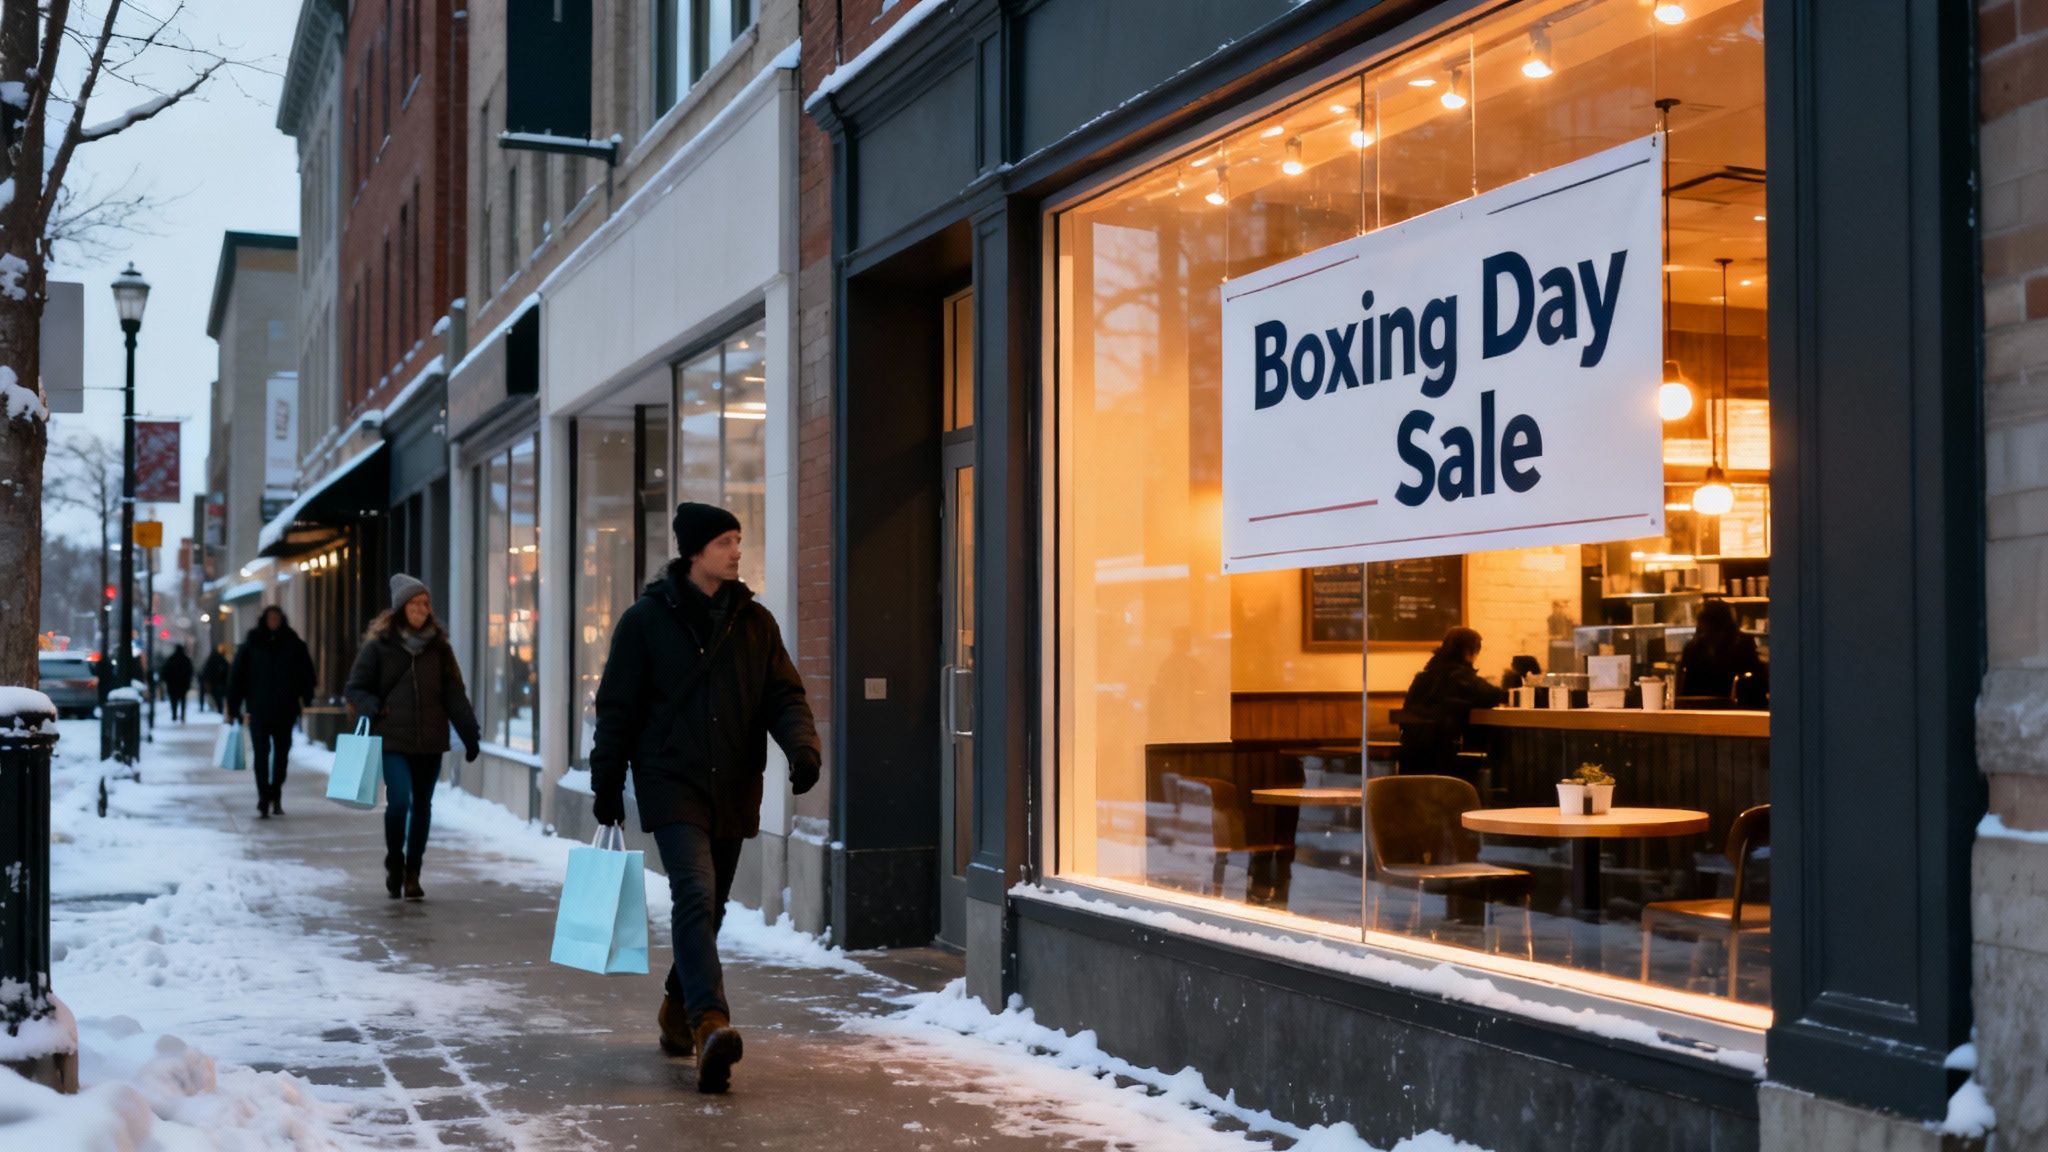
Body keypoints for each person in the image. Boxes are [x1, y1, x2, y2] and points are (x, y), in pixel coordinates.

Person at [589, 502, 821, 1095]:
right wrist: (607, 785)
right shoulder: (645, 622)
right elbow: (616, 711)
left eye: (739, 540)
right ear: (695, 552)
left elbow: (783, 695)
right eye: (726, 541)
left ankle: (674, 1009)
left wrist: (802, 749)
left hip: (734, 783)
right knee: (694, 890)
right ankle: (709, 1024)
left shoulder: (754, 623)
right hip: (671, 783)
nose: (737, 551)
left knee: (710, 908)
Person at [344, 575, 482, 901]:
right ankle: (395, 860)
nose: (421, 609)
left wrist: (470, 734)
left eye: (425, 604)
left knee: (422, 807)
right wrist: (373, 706)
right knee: (400, 802)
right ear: (401, 607)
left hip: (430, 741)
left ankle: (413, 872)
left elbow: (455, 696)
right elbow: (355, 689)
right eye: (415, 603)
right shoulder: (379, 648)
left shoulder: (439, 649)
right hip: (393, 739)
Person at [225, 606, 316, 819]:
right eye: (270, 618)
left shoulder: (292, 643)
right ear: (264, 620)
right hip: (259, 710)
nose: (273, 622)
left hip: (285, 710)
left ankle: (276, 793)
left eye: (277, 618)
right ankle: (263, 796)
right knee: (261, 755)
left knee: (282, 754)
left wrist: (306, 698)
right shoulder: (252, 644)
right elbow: (237, 677)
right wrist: (234, 705)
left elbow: (306, 674)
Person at [1398, 627, 1508, 780]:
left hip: (1412, 758)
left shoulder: (1423, 677)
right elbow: (1495, 695)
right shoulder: (1462, 678)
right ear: (1469, 652)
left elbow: (1405, 714)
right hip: (1449, 762)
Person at [1677, 599, 1766, 707]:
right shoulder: (1743, 642)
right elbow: (1757, 679)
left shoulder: (1692, 646)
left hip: (1697, 707)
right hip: (1736, 708)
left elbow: (1685, 683)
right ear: (1729, 618)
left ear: (1703, 621)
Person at [159, 645, 194, 722]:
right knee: (183, 700)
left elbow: (165, 671)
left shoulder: (171, 659)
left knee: (173, 700)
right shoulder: (186, 660)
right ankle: (182, 715)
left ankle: (174, 714)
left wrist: (165, 680)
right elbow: (190, 672)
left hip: (172, 684)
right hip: (183, 684)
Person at [200, 645, 231, 713]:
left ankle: (204, 707)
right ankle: (220, 709)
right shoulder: (220, 659)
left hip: (212, 682)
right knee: (218, 697)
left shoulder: (209, 660)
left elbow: (205, 671)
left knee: (214, 696)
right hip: (218, 682)